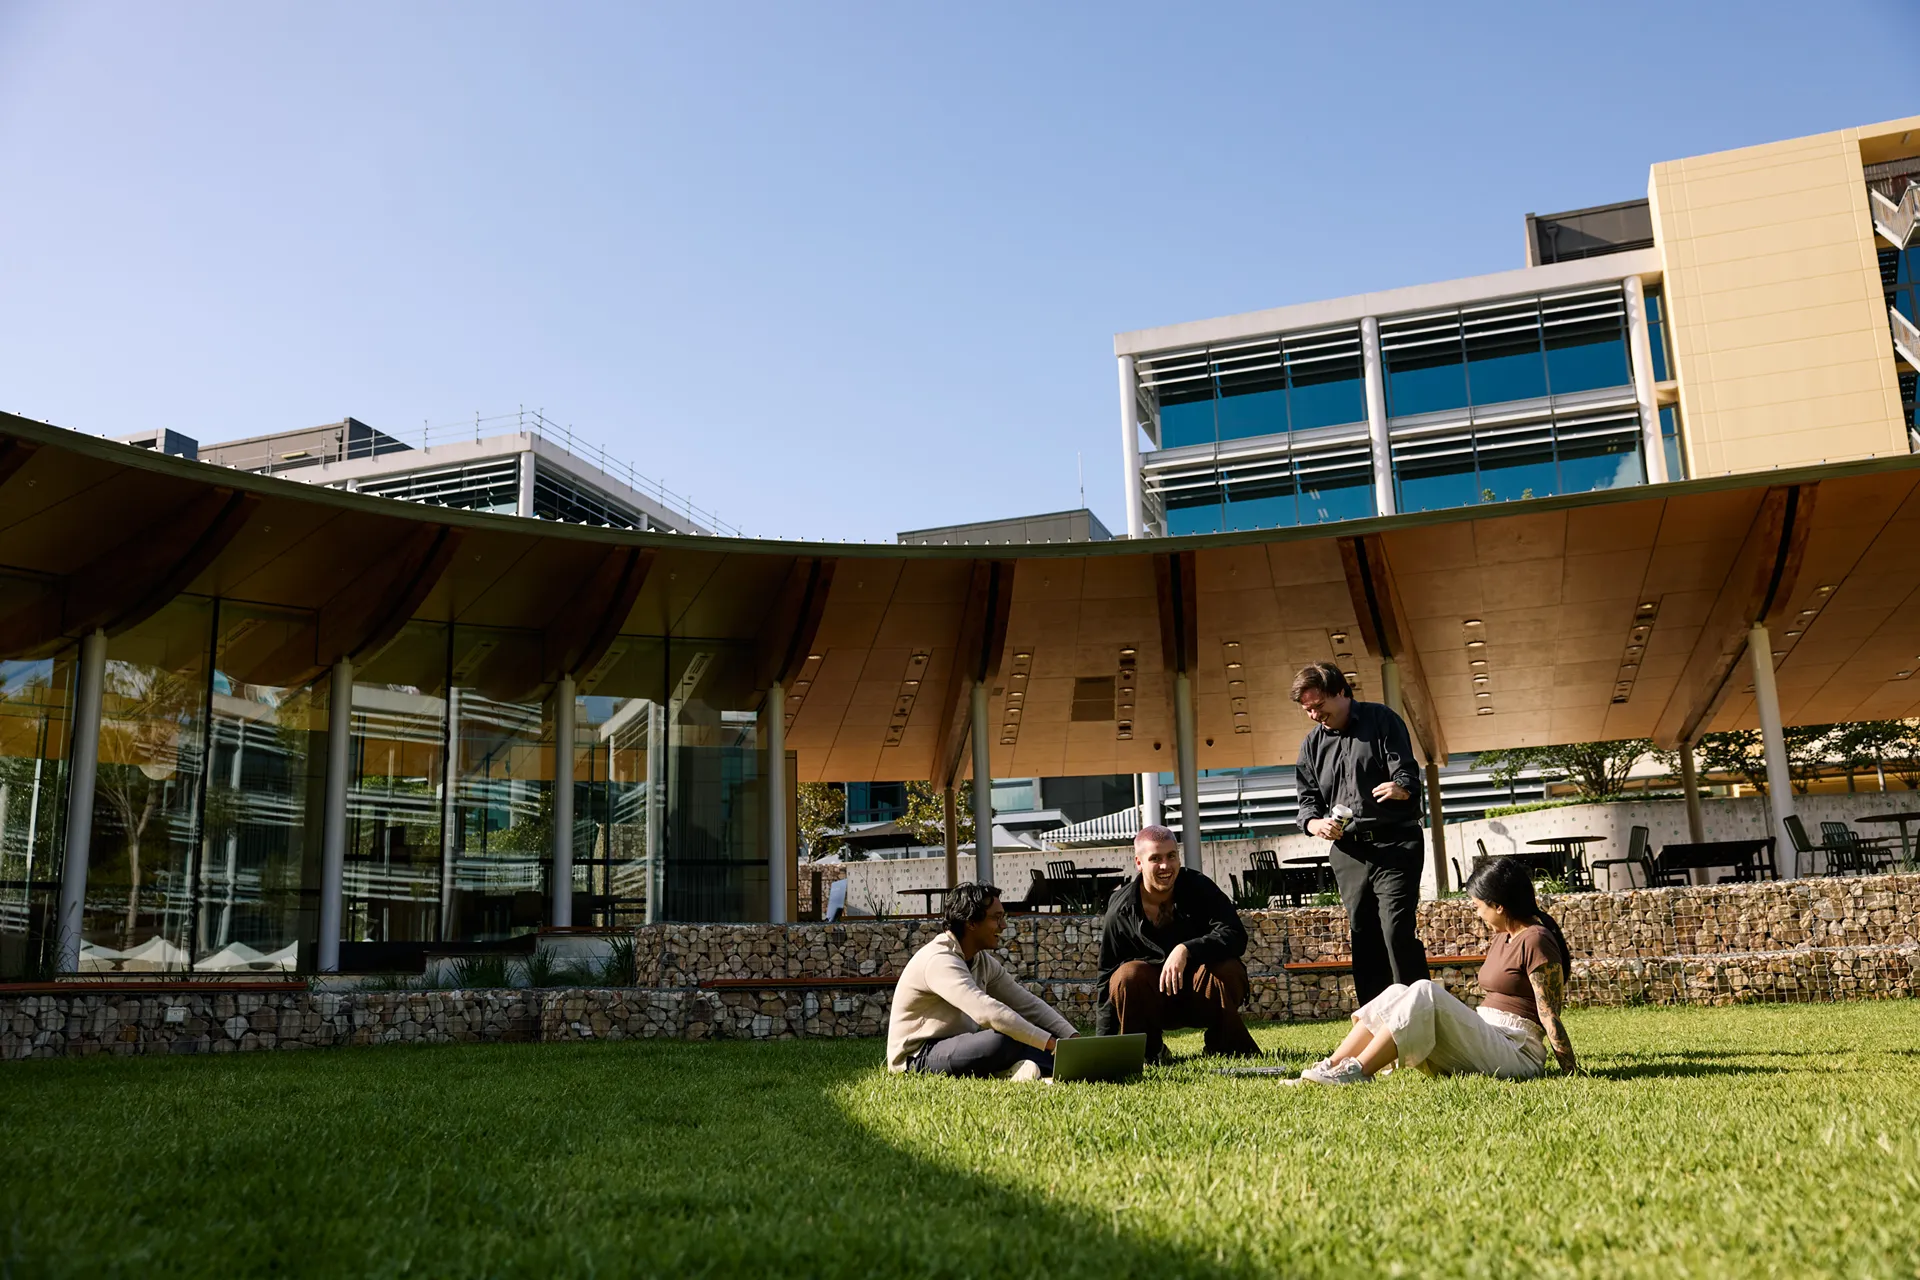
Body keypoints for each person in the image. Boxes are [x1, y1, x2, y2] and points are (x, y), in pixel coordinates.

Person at [1293, 856, 1579, 1085]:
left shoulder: (1536, 939)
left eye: (1479, 907)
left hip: (1517, 1051)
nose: (1477, 914)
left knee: (1423, 990)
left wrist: (1571, 1071)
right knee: (1397, 990)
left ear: (1499, 906)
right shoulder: (1506, 935)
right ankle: (1330, 1066)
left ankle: (1358, 1071)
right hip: (1492, 1036)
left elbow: (1548, 1013)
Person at [1291, 661, 1428, 1005]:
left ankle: (1419, 1016)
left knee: (1396, 930)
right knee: (1363, 935)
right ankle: (1375, 1023)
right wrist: (1315, 824)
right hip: (1348, 852)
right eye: (1307, 710)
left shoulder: (1382, 719)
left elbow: (1408, 774)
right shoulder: (1311, 746)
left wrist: (1400, 788)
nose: (1314, 715)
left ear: (1341, 692)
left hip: (1396, 843)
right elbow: (1306, 802)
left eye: (1319, 706)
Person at [1095, 824, 1261, 1063]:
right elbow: (1106, 976)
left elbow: (1235, 934)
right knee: (1126, 976)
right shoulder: (1121, 909)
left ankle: (1223, 1044)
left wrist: (1186, 950)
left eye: (1171, 856)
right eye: (1155, 858)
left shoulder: (1199, 887)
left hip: (1199, 993)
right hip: (1152, 1002)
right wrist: (1103, 1050)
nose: (1166, 866)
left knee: (1228, 969)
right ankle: (1150, 1052)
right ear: (1139, 863)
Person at [886, 882, 1079, 1079]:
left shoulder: (981, 961)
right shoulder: (939, 960)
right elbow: (986, 1012)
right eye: (996, 918)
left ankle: (1031, 1068)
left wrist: (1073, 1039)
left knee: (1023, 1033)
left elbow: (1027, 1004)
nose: (1003, 926)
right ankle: (1025, 1068)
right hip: (917, 1057)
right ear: (970, 923)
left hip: (958, 1046)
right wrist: (1050, 1044)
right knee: (1006, 1038)